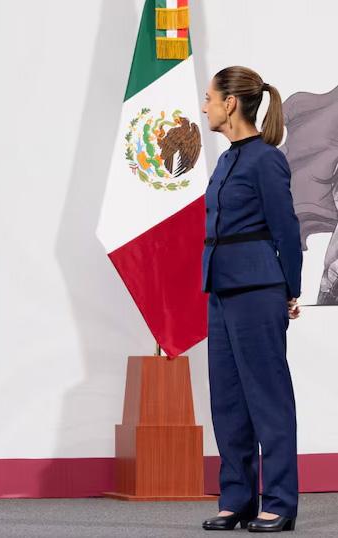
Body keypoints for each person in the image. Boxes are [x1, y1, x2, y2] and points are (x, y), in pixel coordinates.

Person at [199, 66, 302, 533]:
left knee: (268, 398)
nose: (205, 106)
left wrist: (290, 289)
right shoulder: (225, 160)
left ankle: (279, 502)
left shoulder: (266, 159)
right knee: (228, 400)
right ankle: (238, 498)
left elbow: (286, 229)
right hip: (222, 290)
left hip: (258, 291)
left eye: (209, 98)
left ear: (230, 103)